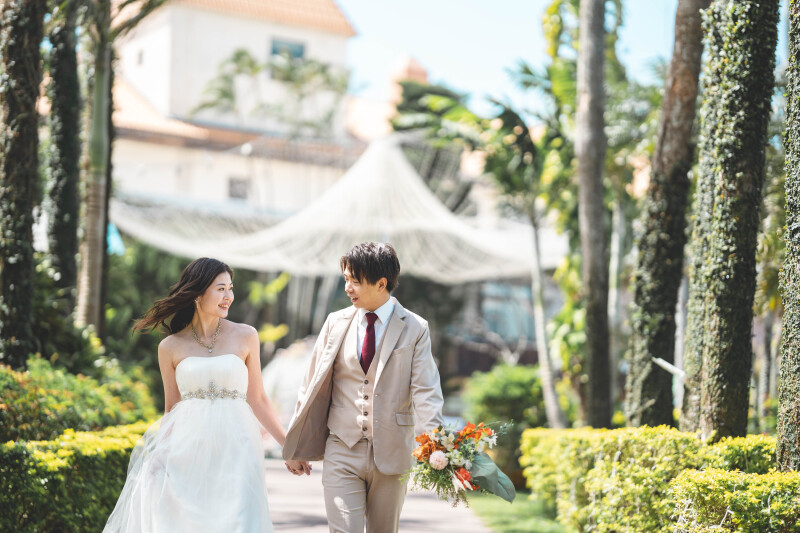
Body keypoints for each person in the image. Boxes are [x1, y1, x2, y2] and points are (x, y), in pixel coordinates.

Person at [104, 257, 285, 533]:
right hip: (188, 450)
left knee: (240, 520)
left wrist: (289, 446)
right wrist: (159, 455)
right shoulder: (169, 346)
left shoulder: (246, 336)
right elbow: (172, 408)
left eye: (230, 288)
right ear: (198, 294)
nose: (229, 296)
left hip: (238, 446)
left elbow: (258, 398)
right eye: (220, 289)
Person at [283, 242, 445, 533]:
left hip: (392, 452)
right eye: (345, 279)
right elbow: (310, 385)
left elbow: (425, 389)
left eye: (354, 281)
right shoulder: (335, 323)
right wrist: (297, 443)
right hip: (341, 448)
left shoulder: (415, 328)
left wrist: (436, 442)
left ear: (382, 283)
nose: (347, 288)